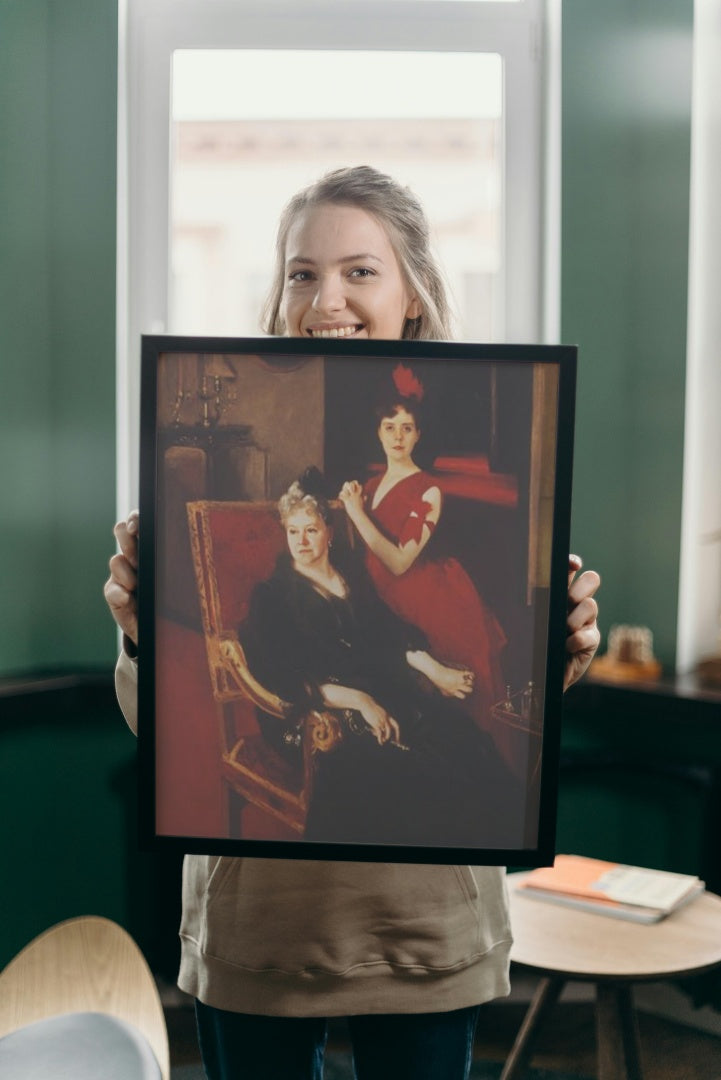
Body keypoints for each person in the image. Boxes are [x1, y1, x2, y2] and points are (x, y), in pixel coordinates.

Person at [105, 165, 601, 1080]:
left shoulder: (388, 508)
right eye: (301, 272)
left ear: (412, 292)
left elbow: (399, 641)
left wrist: (557, 650)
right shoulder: (265, 577)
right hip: (264, 924)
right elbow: (170, 721)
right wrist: (136, 633)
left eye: (359, 271)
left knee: (461, 743)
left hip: (423, 923)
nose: (324, 297)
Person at [240, 471, 523, 849]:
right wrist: (360, 700)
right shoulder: (272, 596)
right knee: (400, 778)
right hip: (319, 711)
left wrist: (430, 667)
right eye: (293, 532)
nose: (302, 541)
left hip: (381, 688)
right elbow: (284, 675)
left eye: (310, 530)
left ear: (329, 531)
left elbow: (386, 631)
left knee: (464, 748)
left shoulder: (350, 576)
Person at [337, 370, 509, 766]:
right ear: (378, 433)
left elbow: (398, 562)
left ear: (418, 435)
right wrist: (350, 505)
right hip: (378, 594)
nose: (398, 436)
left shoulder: (429, 489)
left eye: (407, 428)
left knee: (453, 712)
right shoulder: (370, 483)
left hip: (426, 597)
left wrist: (354, 512)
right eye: (389, 427)